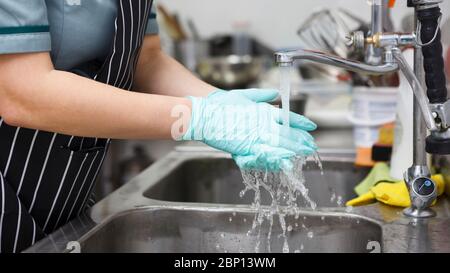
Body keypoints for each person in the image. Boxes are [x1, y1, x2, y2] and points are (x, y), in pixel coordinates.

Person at [0, 0, 317, 252]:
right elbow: (22, 92)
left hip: (64, 193)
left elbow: (146, 60)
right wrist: (199, 118)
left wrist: (219, 102)